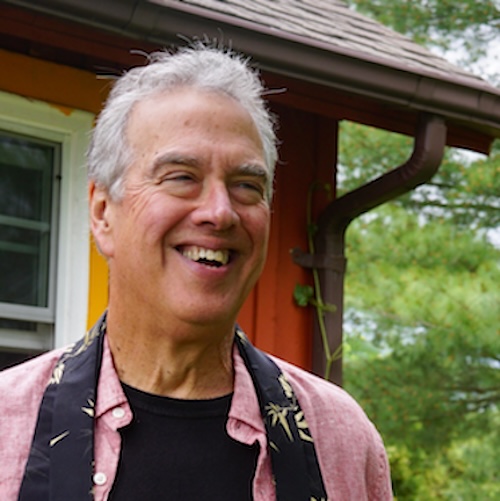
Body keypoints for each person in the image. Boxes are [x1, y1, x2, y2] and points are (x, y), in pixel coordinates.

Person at [0, 44, 392, 500]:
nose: (220, 212)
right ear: (103, 213)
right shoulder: (9, 425)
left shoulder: (339, 439)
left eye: (246, 185)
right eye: (182, 177)